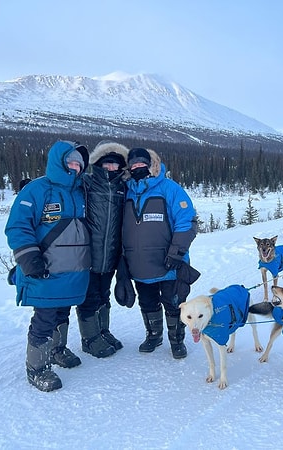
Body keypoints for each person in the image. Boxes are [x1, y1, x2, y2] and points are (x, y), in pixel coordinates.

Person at [5, 140, 91, 392]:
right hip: (45, 268)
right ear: (58, 162)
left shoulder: (81, 191)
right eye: (71, 162)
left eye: (79, 163)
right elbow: (18, 226)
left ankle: (57, 350)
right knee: (44, 317)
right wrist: (29, 258)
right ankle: (37, 368)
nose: (75, 167)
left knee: (62, 311)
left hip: (74, 269)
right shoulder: (36, 190)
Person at [120, 147, 197, 359]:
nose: (137, 168)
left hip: (169, 262)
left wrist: (176, 252)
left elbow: (187, 221)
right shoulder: (125, 190)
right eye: (133, 165)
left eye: (141, 164)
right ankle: (154, 335)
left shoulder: (169, 189)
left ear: (151, 164)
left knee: (173, 303)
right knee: (147, 302)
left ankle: (176, 340)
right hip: (138, 263)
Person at [76, 141, 130, 358]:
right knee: (89, 297)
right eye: (107, 165)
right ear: (98, 164)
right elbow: (63, 188)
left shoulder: (122, 188)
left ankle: (102, 331)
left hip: (111, 253)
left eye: (115, 166)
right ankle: (89, 339)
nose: (111, 169)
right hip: (88, 253)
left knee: (104, 294)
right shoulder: (86, 183)